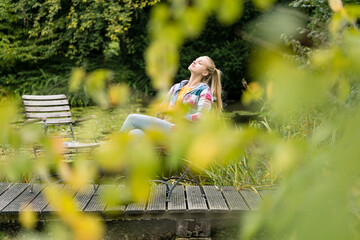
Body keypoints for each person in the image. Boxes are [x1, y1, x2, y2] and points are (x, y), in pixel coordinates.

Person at [120, 56, 222, 139]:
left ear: (205, 73)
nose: (195, 62)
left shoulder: (204, 91)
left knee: (132, 118)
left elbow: (202, 117)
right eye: (195, 60)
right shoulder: (176, 87)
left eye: (200, 63)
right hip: (166, 127)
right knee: (135, 133)